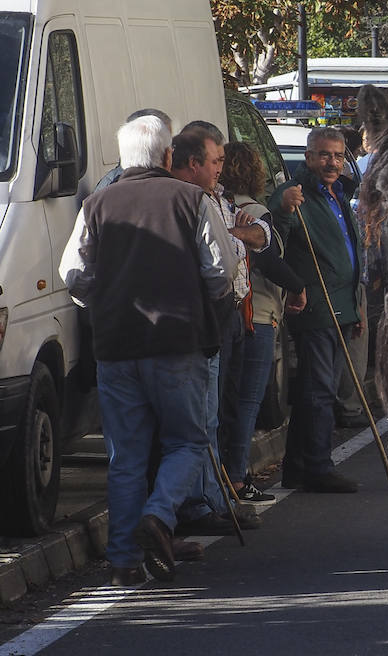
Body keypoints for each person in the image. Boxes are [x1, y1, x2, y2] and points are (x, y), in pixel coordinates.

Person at [57, 115, 233, 585]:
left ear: (122, 157)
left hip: (116, 347)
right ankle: (158, 515)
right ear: (168, 156)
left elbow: (72, 273)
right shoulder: (192, 198)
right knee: (188, 440)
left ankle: (122, 561)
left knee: (126, 456)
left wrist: (107, 299)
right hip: (177, 343)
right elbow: (221, 271)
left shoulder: (97, 203)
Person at [168, 124, 264, 536]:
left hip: (226, 314)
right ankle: (194, 504)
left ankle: (210, 496)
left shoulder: (216, 197)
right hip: (200, 318)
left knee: (214, 412)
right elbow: (220, 259)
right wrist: (235, 241)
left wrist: (238, 237)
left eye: (223, 161)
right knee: (197, 420)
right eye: (215, 161)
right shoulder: (188, 199)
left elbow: (259, 237)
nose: (220, 170)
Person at [268, 127, 363, 493]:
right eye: (324, 155)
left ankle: (297, 467)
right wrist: (282, 207)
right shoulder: (296, 193)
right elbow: (277, 230)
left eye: (338, 156)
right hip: (317, 306)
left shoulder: (339, 193)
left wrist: (356, 307)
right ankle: (318, 466)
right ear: (308, 157)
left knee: (317, 388)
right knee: (319, 390)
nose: (332, 162)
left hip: (343, 306)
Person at [219, 141, 308, 503]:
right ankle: (236, 476)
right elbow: (270, 259)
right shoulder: (254, 211)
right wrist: (299, 287)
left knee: (228, 399)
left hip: (234, 313)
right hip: (257, 313)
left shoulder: (221, 207)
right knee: (247, 400)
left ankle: (226, 474)